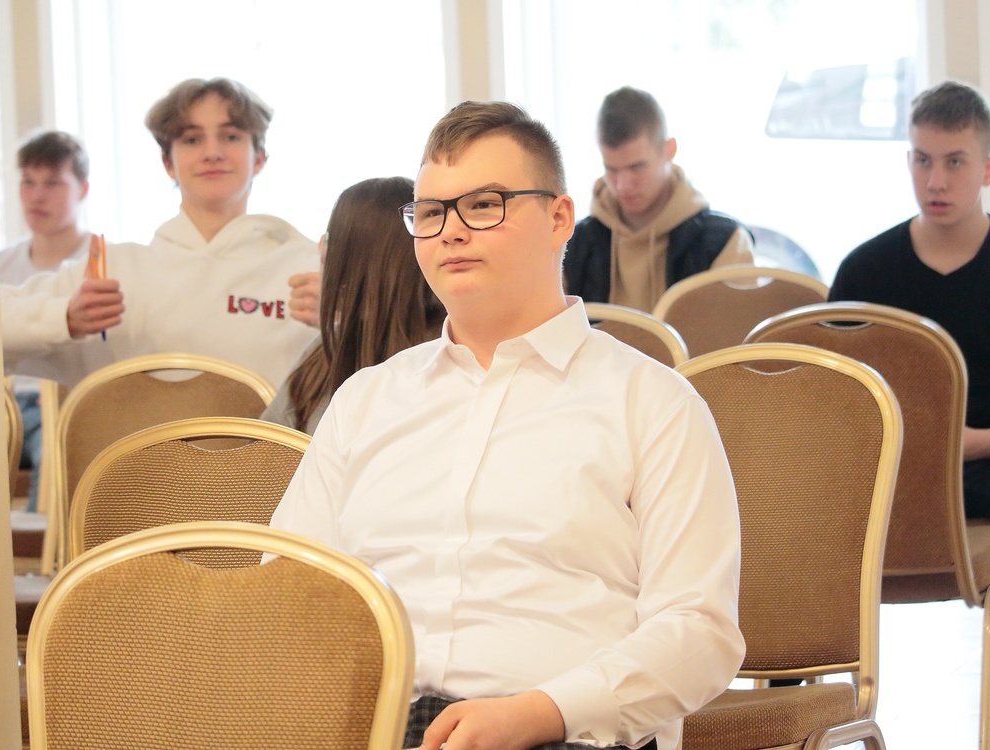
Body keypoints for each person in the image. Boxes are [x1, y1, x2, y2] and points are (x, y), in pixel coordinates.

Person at [268, 101, 744, 750]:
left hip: (559, 731)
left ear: (559, 218)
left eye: (484, 205)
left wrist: (541, 713)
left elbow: (698, 632)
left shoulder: (651, 401)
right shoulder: (366, 401)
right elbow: (287, 589)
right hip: (368, 725)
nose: (451, 232)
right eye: (431, 213)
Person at [0, 77, 319, 389]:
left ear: (259, 158)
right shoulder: (113, 273)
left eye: (231, 136)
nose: (212, 152)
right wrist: (64, 318)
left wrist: (338, 325)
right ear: (168, 162)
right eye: (192, 139)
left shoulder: (307, 270)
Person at [829, 80, 990, 524]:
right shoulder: (864, 270)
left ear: (988, 170)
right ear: (908, 160)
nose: (936, 182)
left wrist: (973, 444)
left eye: (955, 162)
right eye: (923, 160)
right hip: (892, 467)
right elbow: (832, 400)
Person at [261, 176, 445, 433]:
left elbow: (264, 446)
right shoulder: (328, 345)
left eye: (329, 239)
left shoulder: (442, 356)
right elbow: (266, 443)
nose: (321, 249)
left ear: (347, 257)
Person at [563, 86, 753, 313]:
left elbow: (736, 333)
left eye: (637, 167)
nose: (622, 185)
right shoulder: (571, 245)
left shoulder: (726, 243)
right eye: (611, 169)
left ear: (669, 150)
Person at [0, 130, 92, 511]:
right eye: (28, 182)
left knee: (55, 446)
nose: (36, 196)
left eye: (52, 183)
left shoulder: (100, 264)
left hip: (62, 404)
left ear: (82, 189)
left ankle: (46, 545)